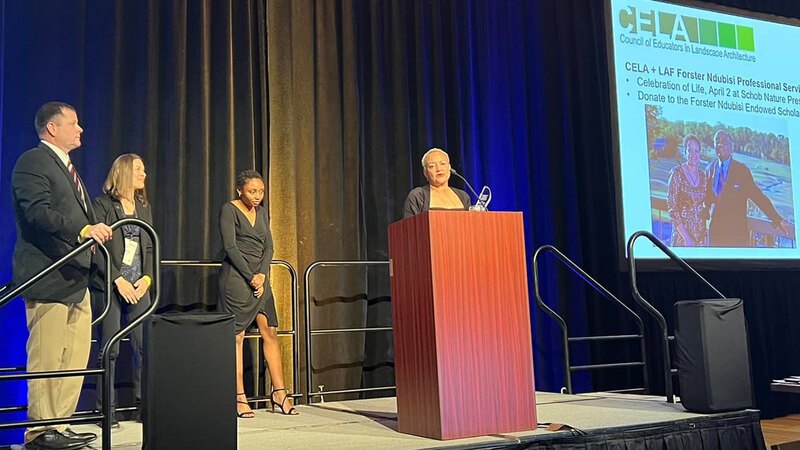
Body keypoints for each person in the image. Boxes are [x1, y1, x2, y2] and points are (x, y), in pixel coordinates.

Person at [11, 102, 113, 449]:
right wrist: (83, 229)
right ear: (52, 128)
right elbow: (38, 213)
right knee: (48, 355)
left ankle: (60, 425)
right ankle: (40, 431)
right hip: (48, 274)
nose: (81, 129)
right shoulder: (33, 161)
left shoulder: (68, 167)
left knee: (75, 355)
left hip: (76, 278)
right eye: (74, 123)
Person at [218, 170, 297, 417]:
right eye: (252, 191)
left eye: (261, 191)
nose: (257, 196)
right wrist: (251, 276)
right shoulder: (229, 210)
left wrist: (262, 275)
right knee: (237, 336)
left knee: (270, 331)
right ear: (240, 190)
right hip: (236, 279)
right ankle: (239, 396)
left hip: (260, 281)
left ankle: (280, 393)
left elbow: (269, 246)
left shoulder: (262, 213)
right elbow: (230, 246)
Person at [92, 154, 154, 428]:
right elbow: (97, 251)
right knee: (111, 349)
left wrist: (148, 279)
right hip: (111, 286)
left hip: (139, 287)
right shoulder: (103, 205)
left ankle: (145, 408)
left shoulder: (143, 206)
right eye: (139, 169)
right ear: (125, 172)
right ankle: (106, 412)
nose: (144, 174)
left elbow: (150, 246)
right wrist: (118, 279)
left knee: (146, 348)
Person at [705, 129, 791, 247]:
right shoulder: (710, 169)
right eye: (717, 141)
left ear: (732, 147)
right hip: (715, 234)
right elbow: (706, 197)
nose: (720, 144)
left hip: (736, 235)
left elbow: (758, 197)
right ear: (714, 146)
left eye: (724, 141)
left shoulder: (742, 171)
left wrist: (777, 219)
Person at [403, 148, 471, 218]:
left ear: (449, 168)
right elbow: (409, 227)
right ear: (425, 172)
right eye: (432, 166)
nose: (439, 169)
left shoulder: (463, 196)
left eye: (443, 164)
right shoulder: (418, 196)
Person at [666, 134, 708, 247]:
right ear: (685, 152)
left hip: (700, 238)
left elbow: (706, 203)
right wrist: (686, 238)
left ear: (700, 153)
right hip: (682, 239)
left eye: (696, 150)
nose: (693, 154)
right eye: (690, 150)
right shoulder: (677, 173)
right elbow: (672, 208)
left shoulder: (704, 176)